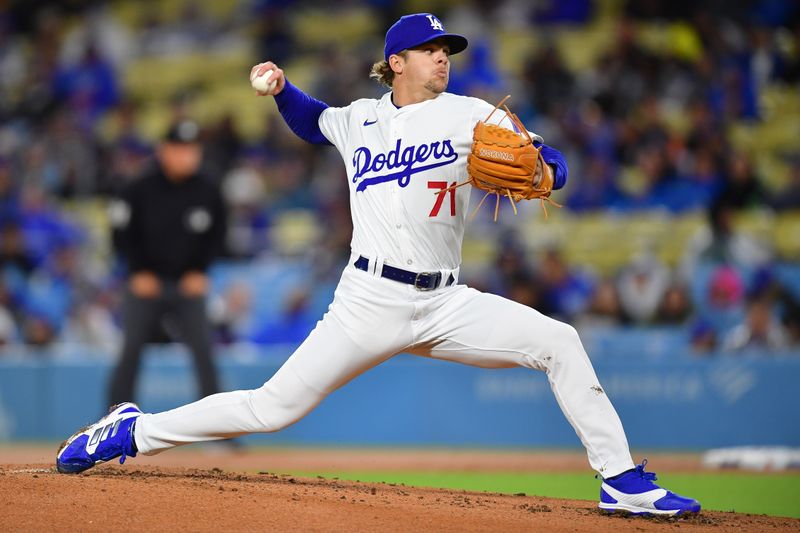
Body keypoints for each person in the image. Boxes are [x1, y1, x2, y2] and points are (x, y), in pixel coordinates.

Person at [56, 13, 699, 517]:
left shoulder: (471, 114)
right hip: (369, 300)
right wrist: (281, 89)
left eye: (447, 48)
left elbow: (543, 153)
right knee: (272, 409)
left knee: (560, 340)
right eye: (430, 48)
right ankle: (135, 432)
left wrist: (550, 164)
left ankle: (621, 482)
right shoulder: (360, 120)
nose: (443, 56)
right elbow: (313, 122)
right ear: (397, 62)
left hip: (447, 302)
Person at [105, 119, 227, 407]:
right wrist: (136, 272)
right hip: (145, 283)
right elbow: (120, 233)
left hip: (189, 284)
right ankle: (111, 423)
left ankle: (217, 430)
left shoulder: (209, 188)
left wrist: (200, 271)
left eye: (193, 149)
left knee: (204, 350)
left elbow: (219, 236)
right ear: (164, 150)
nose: (187, 155)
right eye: (180, 148)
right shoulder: (138, 186)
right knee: (131, 350)